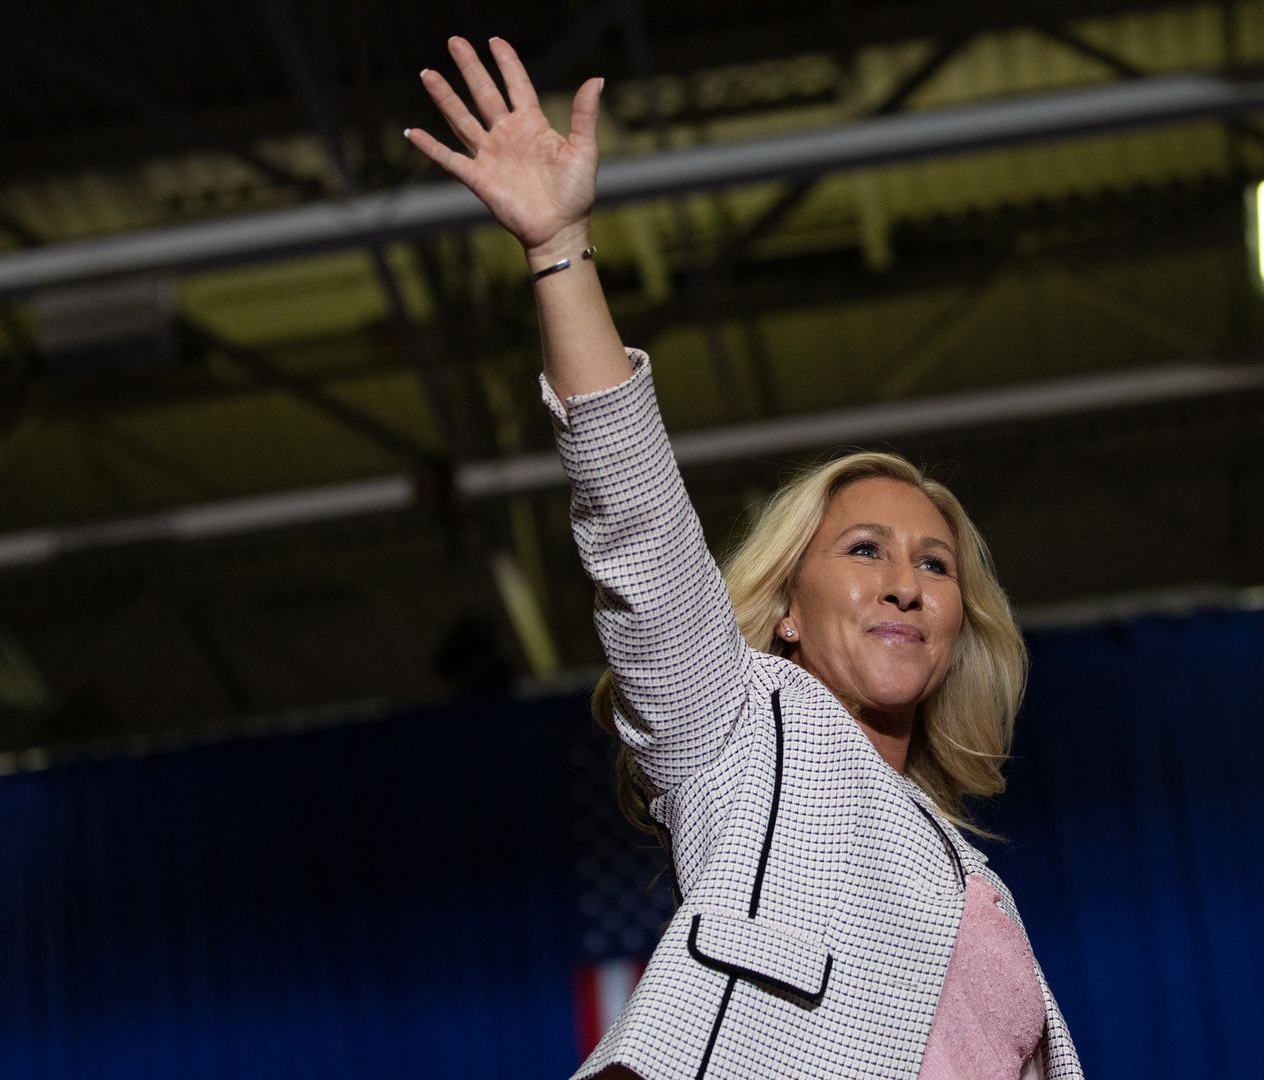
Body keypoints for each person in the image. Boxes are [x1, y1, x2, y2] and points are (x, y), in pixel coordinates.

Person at [406, 36, 1085, 1080]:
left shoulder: (968, 877)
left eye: (937, 565)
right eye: (866, 550)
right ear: (789, 613)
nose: (908, 580)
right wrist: (558, 250)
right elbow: (636, 516)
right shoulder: (740, 720)